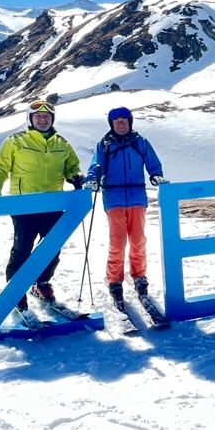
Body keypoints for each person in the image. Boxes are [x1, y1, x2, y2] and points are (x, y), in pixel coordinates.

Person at [0, 99, 83, 315]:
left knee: (52, 248)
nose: (42, 118)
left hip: (53, 205)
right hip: (24, 206)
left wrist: (75, 176)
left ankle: (42, 283)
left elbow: (72, 165)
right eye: (38, 116)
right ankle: (16, 292)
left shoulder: (61, 144)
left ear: (52, 119)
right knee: (22, 249)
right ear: (30, 119)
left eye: (47, 116)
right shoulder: (15, 141)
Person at [82, 107, 168, 310]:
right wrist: (92, 178)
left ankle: (139, 275)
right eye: (116, 120)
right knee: (118, 242)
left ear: (130, 121)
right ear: (111, 124)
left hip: (137, 197)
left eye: (124, 119)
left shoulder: (141, 142)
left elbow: (152, 163)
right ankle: (114, 279)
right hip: (114, 198)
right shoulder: (104, 144)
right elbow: (96, 165)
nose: (120, 123)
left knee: (138, 240)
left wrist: (156, 175)